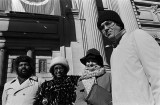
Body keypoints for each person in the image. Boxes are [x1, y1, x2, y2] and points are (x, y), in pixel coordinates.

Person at [97, 10, 160, 105]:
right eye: (102, 27)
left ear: (118, 23)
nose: (105, 28)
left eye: (108, 23)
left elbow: (157, 74)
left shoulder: (137, 36)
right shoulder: (113, 54)